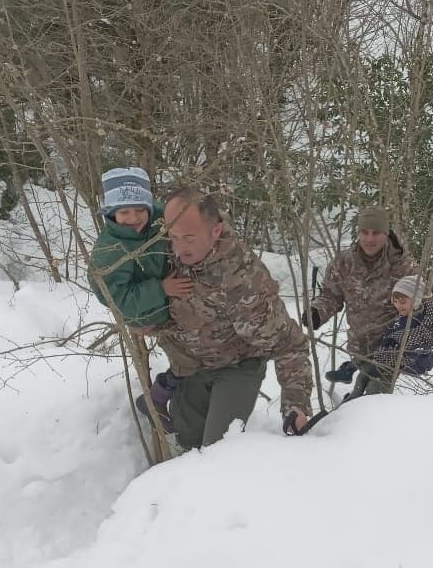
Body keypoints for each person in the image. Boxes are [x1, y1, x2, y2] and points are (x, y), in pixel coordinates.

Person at [151, 187, 313, 451]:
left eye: (189, 238)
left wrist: (296, 405)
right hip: (191, 366)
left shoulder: (243, 281)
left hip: (237, 367)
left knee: (217, 451)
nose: (179, 247)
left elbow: (290, 345)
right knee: (187, 445)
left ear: (215, 231)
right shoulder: (168, 250)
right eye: (174, 237)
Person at [302, 205, 418, 385]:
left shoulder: (403, 266)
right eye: (365, 232)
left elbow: (419, 305)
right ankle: (351, 369)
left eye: (376, 233)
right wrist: (317, 312)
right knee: (362, 392)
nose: (369, 239)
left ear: (386, 234)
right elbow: (331, 295)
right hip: (358, 346)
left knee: (372, 398)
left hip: (390, 349)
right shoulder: (344, 262)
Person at [88, 167, 193, 330]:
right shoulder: (108, 250)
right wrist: (161, 289)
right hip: (151, 317)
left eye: (140, 209)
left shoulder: (161, 217)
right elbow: (116, 299)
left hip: (179, 301)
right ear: (112, 213)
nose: (133, 218)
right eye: (124, 212)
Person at [347, 275, 433, 397]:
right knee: (363, 376)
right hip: (387, 358)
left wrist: (383, 354)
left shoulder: (420, 323)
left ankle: (368, 408)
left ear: (416, 300)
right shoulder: (403, 315)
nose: (398, 305)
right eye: (395, 301)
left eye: (402, 302)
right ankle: (351, 401)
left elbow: (414, 350)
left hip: (402, 364)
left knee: (375, 389)